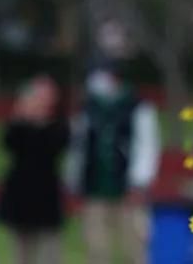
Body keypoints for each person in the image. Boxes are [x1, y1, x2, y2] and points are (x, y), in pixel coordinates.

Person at [66, 59, 160, 264]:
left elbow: (147, 147)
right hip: (95, 189)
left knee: (134, 247)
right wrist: (74, 180)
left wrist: (139, 181)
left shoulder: (137, 106)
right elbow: (78, 148)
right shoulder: (87, 108)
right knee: (96, 248)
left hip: (128, 189)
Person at [0, 75, 70, 264]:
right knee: (21, 253)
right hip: (21, 196)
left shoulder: (59, 125)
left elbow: (54, 147)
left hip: (46, 197)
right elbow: (8, 143)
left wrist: (39, 122)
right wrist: (21, 117)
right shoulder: (19, 125)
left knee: (50, 252)